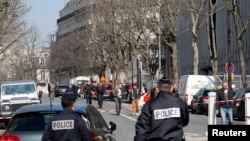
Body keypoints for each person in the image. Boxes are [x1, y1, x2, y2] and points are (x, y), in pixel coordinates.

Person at [134, 77, 189, 141]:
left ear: (157, 89)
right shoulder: (180, 103)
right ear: (171, 88)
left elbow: (142, 129)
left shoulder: (150, 105)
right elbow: (185, 121)